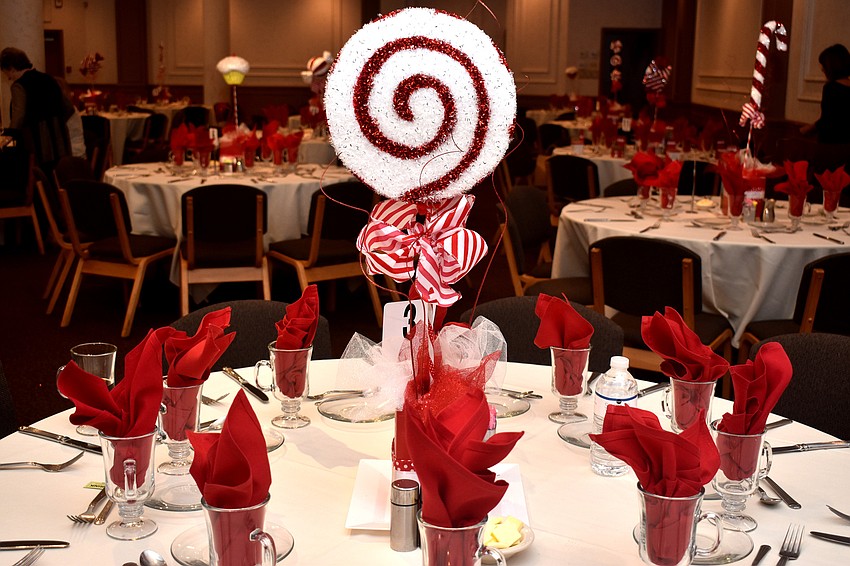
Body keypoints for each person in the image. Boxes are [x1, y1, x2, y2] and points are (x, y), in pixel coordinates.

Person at [1, 47, 74, 172]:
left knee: (39, 179)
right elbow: (69, 108)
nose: (9, 78)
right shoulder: (49, 79)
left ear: (12, 69)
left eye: (6, 73)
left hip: (39, 144)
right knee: (59, 177)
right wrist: (56, 122)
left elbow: (19, 115)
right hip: (60, 141)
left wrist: (7, 137)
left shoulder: (19, 85)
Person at [800, 43, 850, 144]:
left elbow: (827, 120)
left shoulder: (831, 88)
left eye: (824, 67)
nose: (822, 70)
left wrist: (808, 129)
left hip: (831, 145)